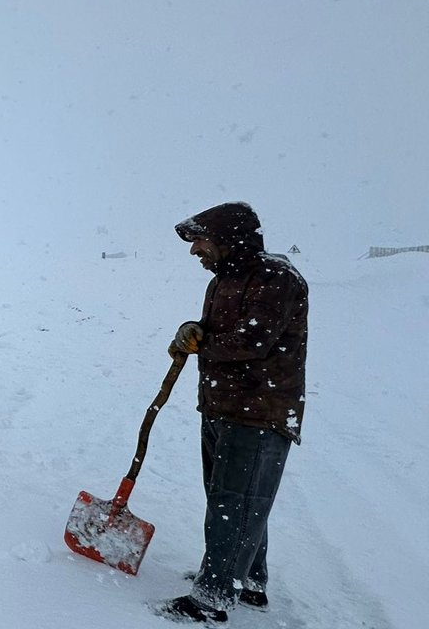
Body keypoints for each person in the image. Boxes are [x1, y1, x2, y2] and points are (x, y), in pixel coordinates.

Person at [157, 202, 309, 624]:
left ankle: (211, 598)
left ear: (227, 238)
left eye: (201, 241)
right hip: (225, 406)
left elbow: (253, 340)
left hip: (259, 411)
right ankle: (248, 581)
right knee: (233, 500)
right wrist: (195, 330)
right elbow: (221, 333)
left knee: (235, 503)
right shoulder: (224, 280)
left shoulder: (275, 277)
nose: (195, 252)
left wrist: (202, 345)